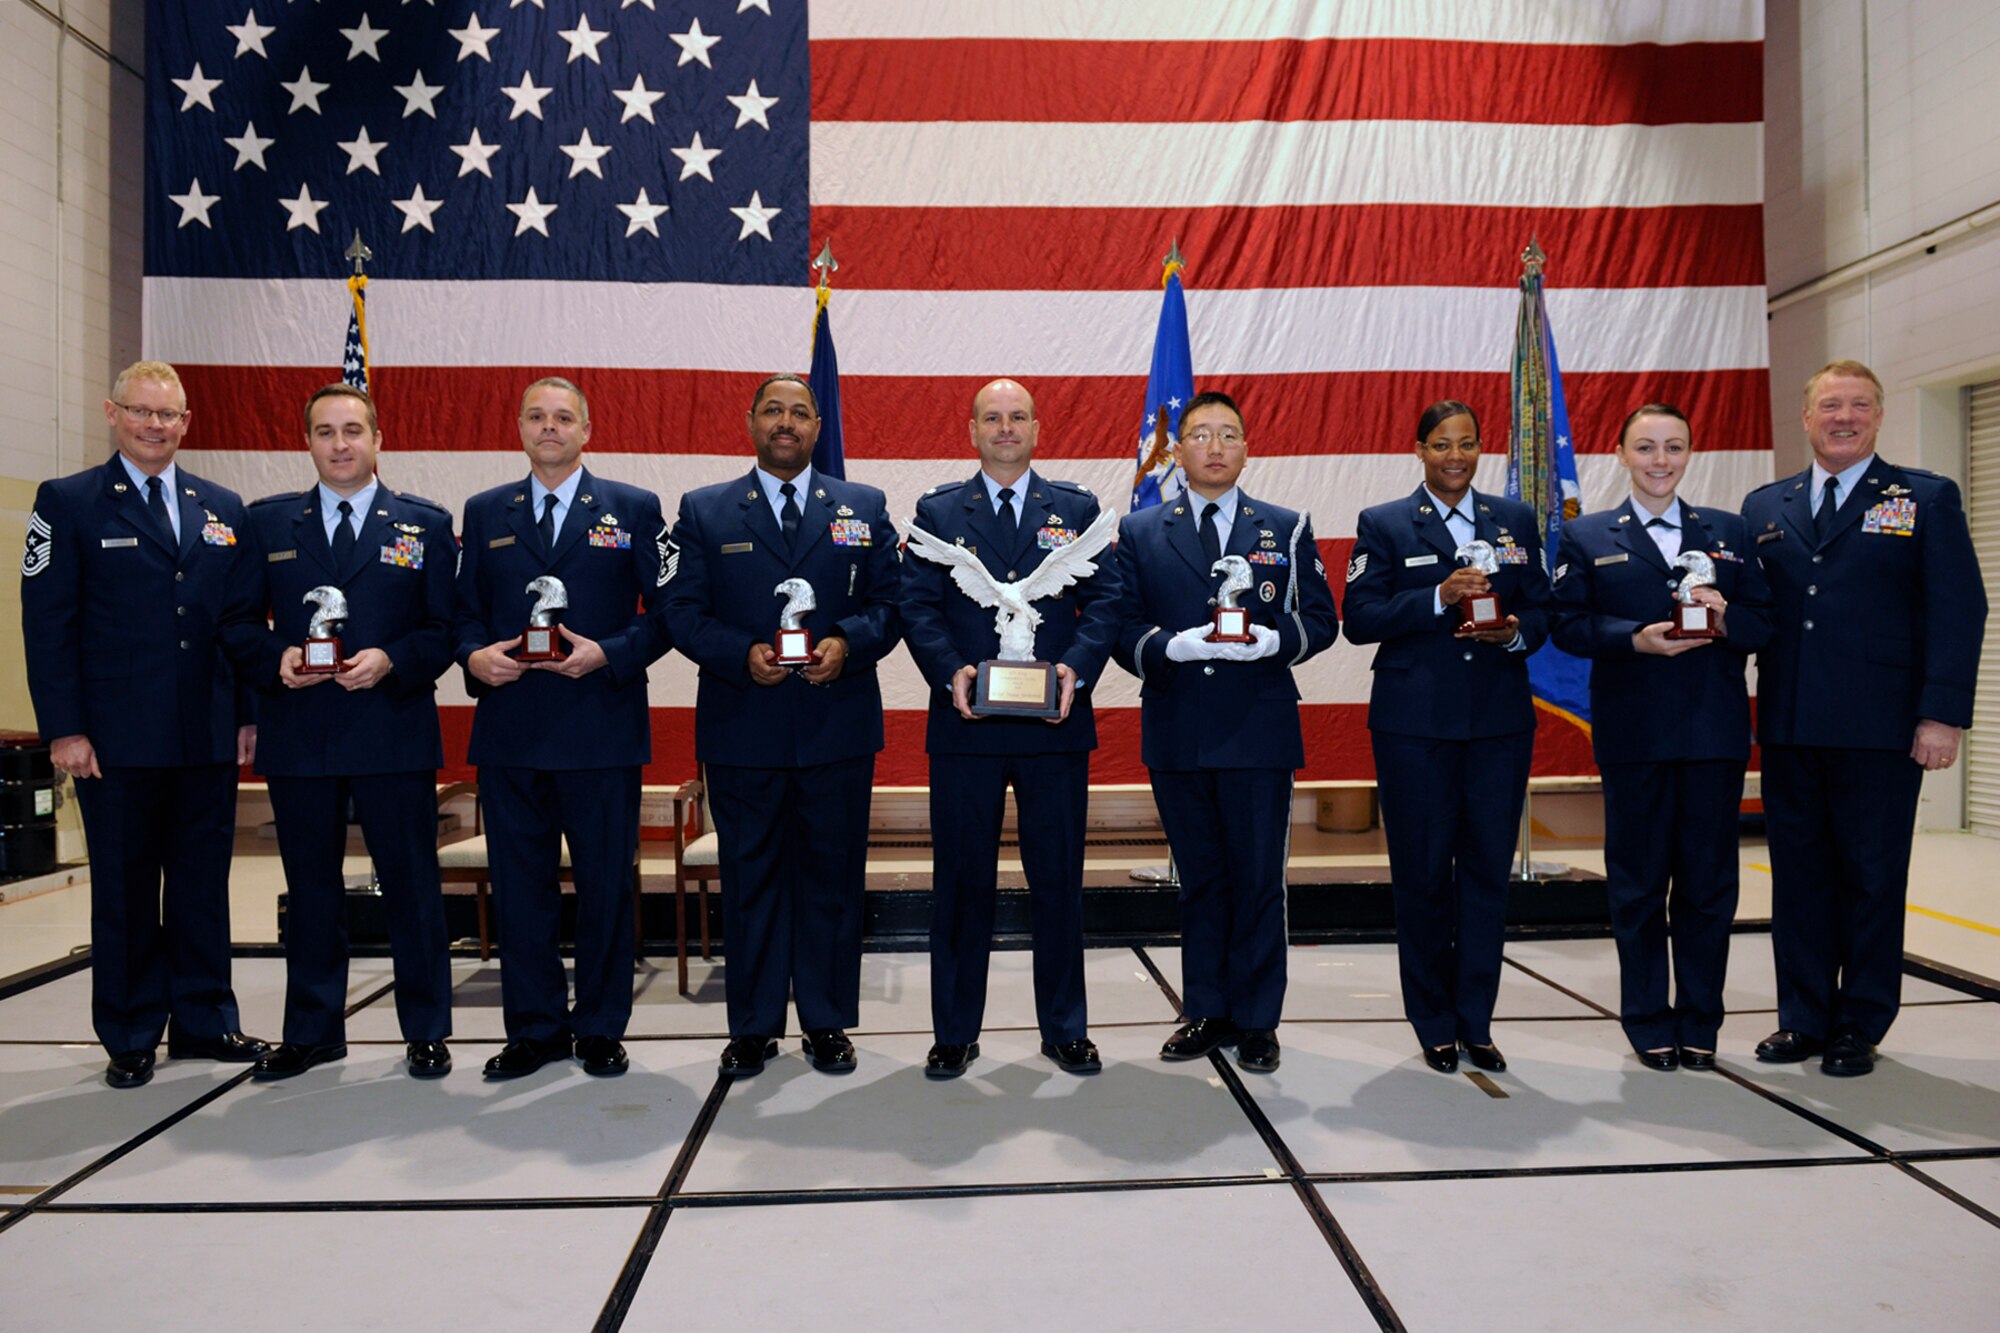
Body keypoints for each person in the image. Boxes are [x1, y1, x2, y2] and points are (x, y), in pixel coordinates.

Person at [19, 360, 268, 1088]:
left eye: (170, 414)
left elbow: (241, 625)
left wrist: (247, 716)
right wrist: (64, 729)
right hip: (115, 740)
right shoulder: (68, 503)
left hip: (205, 734)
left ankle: (205, 1019)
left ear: (187, 422)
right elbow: (48, 626)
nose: (156, 425)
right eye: (142, 411)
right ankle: (129, 1030)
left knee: (200, 885)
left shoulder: (222, 507)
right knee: (126, 887)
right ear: (111, 412)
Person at [1743, 360, 1985, 1077]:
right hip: (1789, 724)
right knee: (1799, 875)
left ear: (1878, 416)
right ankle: (1804, 1015)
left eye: (1857, 405)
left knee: (1873, 875)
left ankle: (1861, 1021)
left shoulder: (1923, 497)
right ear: (1807, 416)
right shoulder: (1766, 505)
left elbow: (1959, 610)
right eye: (1829, 405)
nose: (1842, 416)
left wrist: (1941, 715)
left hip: (1882, 728)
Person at [661, 374, 901, 1077]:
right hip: (744, 725)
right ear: (751, 422)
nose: (786, 422)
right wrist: (740, 654)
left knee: (832, 879)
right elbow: (680, 611)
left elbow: (893, 603)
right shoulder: (704, 511)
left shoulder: (864, 505)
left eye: (800, 411)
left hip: (838, 724)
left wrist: (847, 642)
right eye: (774, 410)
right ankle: (755, 1024)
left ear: (818, 425)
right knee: (750, 877)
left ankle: (827, 1022)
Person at [223, 384, 458, 1080]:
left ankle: (426, 1029)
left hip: (392, 730)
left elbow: (446, 630)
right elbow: (235, 625)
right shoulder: (268, 525)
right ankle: (313, 1030)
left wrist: (394, 659)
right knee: (312, 889)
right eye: (325, 432)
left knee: (412, 888)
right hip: (302, 734)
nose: (340, 444)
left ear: (378, 439)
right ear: (308, 442)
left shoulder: (423, 525)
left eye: (353, 430)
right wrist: (277, 658)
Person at [900, 378, 1123, 1079]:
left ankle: (1065, 1028)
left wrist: (1076, 669)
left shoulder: (1076, 509)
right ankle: (954, 1031)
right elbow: (918, 605)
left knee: (1058, 882)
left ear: (1037, 427)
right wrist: (949, 671)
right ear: (970, 430)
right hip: (966, 723)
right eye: (991, 417)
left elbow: (1108, 598)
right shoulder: (938, 511)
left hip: (1053, 723)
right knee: (962, 883)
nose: (1005, 427)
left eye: (1017, 416)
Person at [1110, 391, 1339, 1073]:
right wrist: (1168, 648)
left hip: (1258, 728)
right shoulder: (1142, 529)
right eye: (1200, 434)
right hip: (1180, 725)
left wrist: (1274, 638)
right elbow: (1120, 626)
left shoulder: (1286, 527)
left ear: (1246, 447)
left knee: (1260, 878)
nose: (1215, 446)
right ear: (1177, 451)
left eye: (1228, 434)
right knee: (1202, 879)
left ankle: (1259, 1018)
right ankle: (1207, 1008)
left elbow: (1322, 620)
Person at [453, 377, 669, 1080]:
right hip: (512, 730)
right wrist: (473, 656)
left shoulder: (634, 508)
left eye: (564, 417)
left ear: (587, 429)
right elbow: (461, 613)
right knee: (521, 888)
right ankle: (535, 1027)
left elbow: (667, 612)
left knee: (607, 886)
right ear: (519, 427)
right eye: (538, 417)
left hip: (600, 727)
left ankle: (601, 1026)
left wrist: (610, 652)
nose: (550, 428)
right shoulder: (485, 511)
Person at [1551, 404, 1772, 1071]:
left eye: (1673, 447)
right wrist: (1634, 639)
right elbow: (1567, 626)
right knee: (1639, 884)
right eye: (1646, 447)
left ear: (1689, 453)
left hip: (1714, 733)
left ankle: (1700, 1019)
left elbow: (1768, 626)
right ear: (1621, 453)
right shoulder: (1586, 536)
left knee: (1708, 885)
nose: (1660, 460)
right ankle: (1648, 1017)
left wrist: (1729, 614)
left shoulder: (1730, 533)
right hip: (1634, 734)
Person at [1342, 399, 1552, 1075]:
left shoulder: (1515, 520)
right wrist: (1437, 595)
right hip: (1414, 725)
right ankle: (1432, 1020)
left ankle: (1477, 1020)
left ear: (1480, 447)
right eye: (1441, 444)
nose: (1455, 455)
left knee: (1488, 872)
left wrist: (1514, 631)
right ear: (1419, 449)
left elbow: (1543, 605)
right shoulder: (1386, 522)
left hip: (1497, 721)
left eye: (1466, 443)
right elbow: (1360, 616)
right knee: (1424, 874)